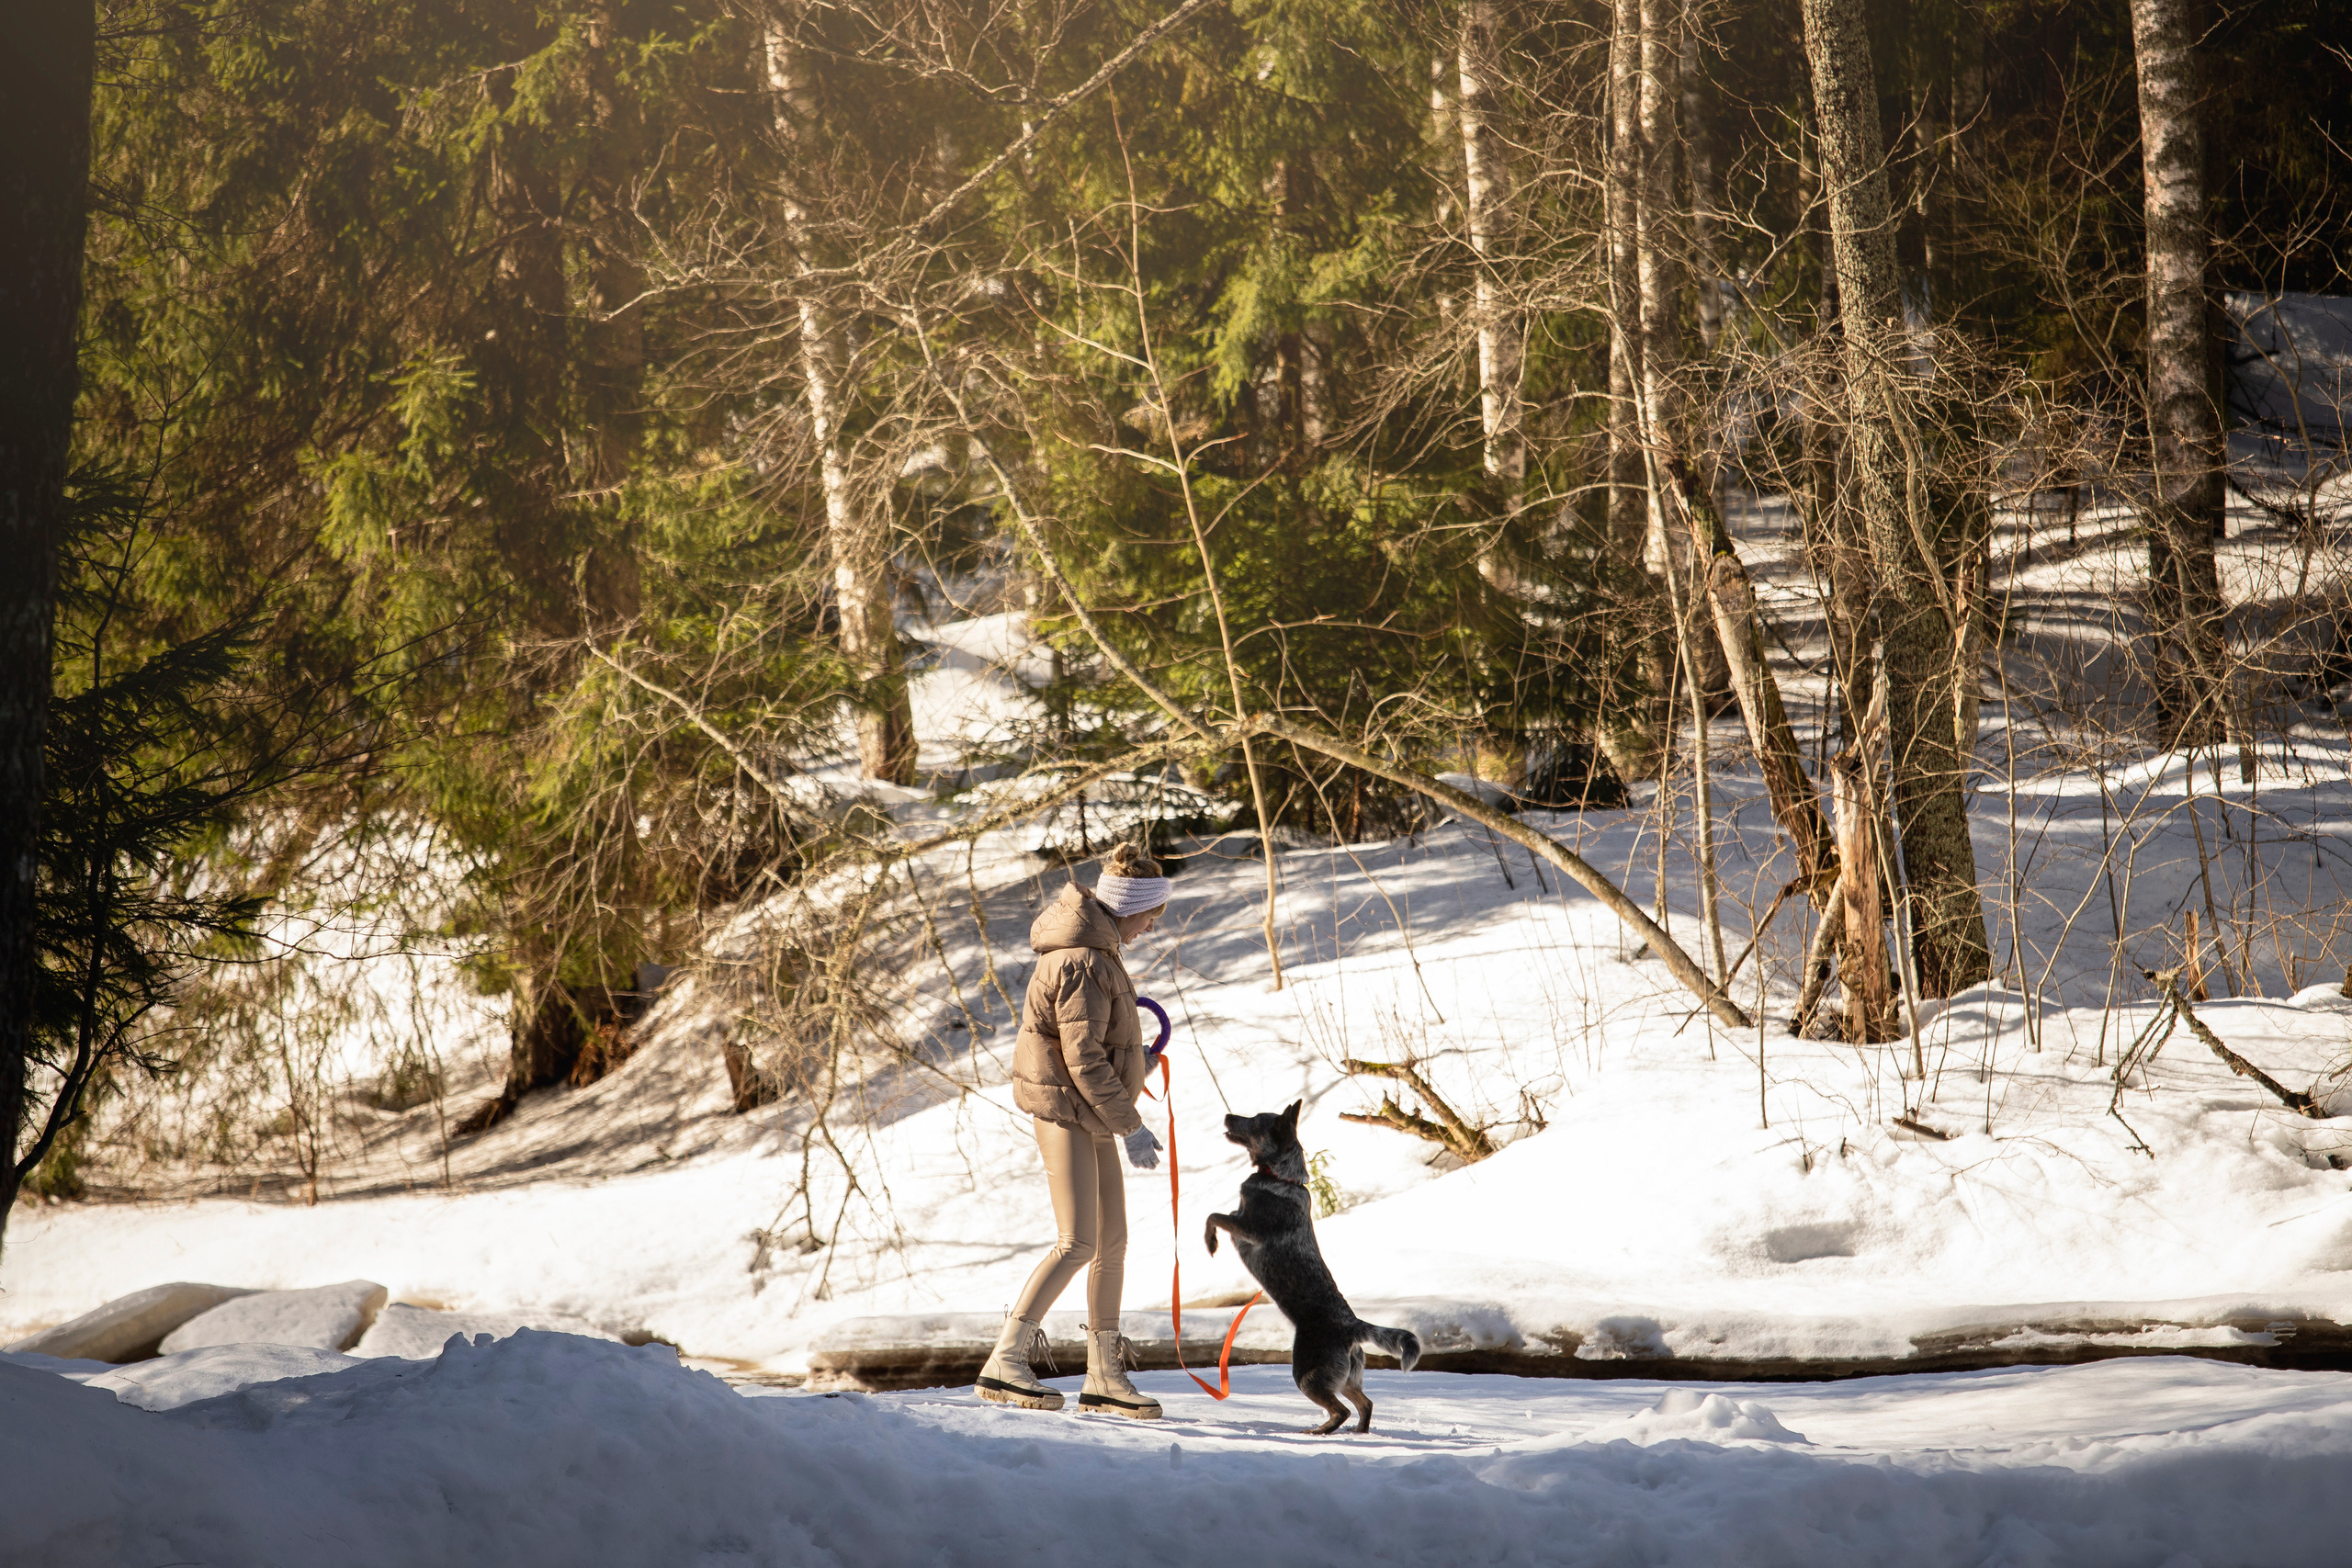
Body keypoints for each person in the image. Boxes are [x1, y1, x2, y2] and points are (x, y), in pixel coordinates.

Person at [977, 840, 1170, 1418]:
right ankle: (1005, 1362)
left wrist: (1140, 1063)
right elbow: (1082, 1061)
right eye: (1151, 917)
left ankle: (1104, 1376)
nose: (1152, 928)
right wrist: (1132, 1125)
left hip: (1089, 1109)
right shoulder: (1081, 958)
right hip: (1064, 1109)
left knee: (1112, 1243)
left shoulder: (1100, 953)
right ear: (1128, 908)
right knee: (1079, 1240)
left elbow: (1096, 1046)